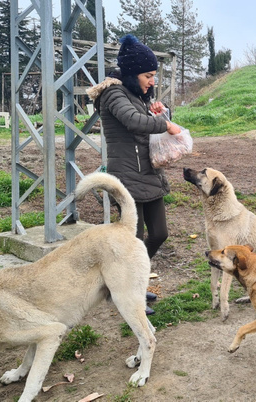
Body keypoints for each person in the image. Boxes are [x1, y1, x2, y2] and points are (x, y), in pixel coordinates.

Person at [86, 34, 182, 315]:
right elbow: (132, 121)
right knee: (134, 240)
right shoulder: (113, 93)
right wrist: (163, 123)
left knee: (160, 234)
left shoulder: (136, 95)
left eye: (153, 75)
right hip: (127, 178)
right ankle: (127, 293)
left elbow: (147, 118)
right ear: (131, 73)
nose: (152, 81)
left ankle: (132, 282)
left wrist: (160, 111)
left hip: (147, 174)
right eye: (148, 75)